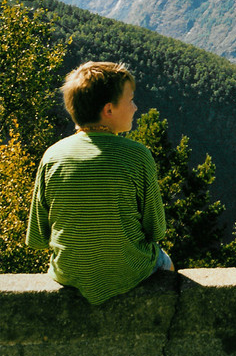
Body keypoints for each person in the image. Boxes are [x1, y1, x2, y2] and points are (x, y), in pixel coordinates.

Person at [26, 61, 173, 305]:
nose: (135, 107)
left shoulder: (52, 157)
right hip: (130, 272)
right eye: (130, 100)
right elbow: (156, 230)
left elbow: (38, 238)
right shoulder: (138, 155)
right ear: (109, 110)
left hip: (68, 273)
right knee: (165, 262)